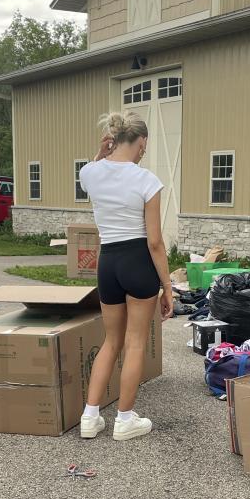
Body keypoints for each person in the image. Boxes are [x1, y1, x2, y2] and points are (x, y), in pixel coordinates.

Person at [77, 112, 174, 442]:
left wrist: (99, 154)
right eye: (144, 146)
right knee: (135, 342)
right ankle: (124, 420)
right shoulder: (147, 180)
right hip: (137, 261)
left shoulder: (90, 173)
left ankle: (90, 417)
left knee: (111, 341)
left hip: (108, 263)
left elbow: (92, 171)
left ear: (113, 139)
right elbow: (155, 242)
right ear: (141, 142)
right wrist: (168, 288)